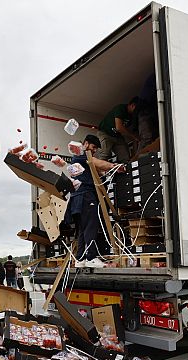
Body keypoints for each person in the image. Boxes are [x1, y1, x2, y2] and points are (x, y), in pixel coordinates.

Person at [64, 134, 125, 268]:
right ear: (85, 144)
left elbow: (96, 169)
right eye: (93, 147)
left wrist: (105, 172)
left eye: (96, 148)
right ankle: (91, 257)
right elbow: (97, 163)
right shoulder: (82, 154)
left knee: (82, 229)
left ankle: (80, 259)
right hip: (86, 196)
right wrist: (114, 166)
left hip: (76, 198)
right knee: (91, 226)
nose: (94, 150)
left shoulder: (77, 159)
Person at [96, 97, 140, 162]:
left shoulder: (131, 116)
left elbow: (125, 129)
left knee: (125, 157)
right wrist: (134, 137)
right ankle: (99, 170)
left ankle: (126, 170)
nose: (137, 112)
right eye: (137, 109)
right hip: (105, 133)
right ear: (132, 105)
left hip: (117, 136)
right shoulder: (121, 108)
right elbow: (119, 127)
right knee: (104, 154)